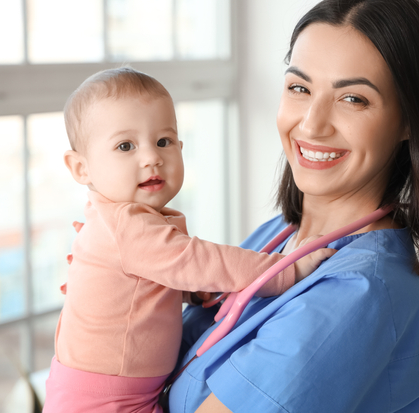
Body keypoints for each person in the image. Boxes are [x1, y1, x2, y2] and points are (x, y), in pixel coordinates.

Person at [166, 0, 419, 412]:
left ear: (408, 121)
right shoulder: (280, 236)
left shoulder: (360, 295)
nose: (312, 124)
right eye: (300, 88)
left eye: (353, 99)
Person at [43, 67, 335, 413]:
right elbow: (198, 260)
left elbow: (139, 286)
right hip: (105, 401)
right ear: (81, 169)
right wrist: (289, 269)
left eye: (164, 141)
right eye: (125, 146)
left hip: (116, 392)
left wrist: (192, 292)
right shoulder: (124, 225)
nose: (151, 157)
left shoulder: (121, 220)